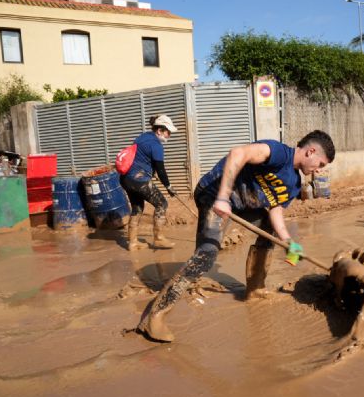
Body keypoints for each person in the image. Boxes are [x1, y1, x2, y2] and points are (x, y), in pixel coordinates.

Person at [137, 130, 335, 342]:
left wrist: (288, 241)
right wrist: (222, 197)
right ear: (311, 151)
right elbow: (237, 154)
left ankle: (255, 289)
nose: (318, 170)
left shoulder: (294, 184)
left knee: (270, 230)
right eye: (320, 164)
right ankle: (154, 316)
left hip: (240, 205)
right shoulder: (278, 152)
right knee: (207, 254)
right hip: (214, 193)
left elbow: (275, 210)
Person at [121, 114, 178, 251]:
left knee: (137, 208)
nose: (169, 135)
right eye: (168, 132)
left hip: (126, 179)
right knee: (162, 203)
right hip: (139, 180)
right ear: (159, 131)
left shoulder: (143, 137)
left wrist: (149, 168)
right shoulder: (156, 145)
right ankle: (158, 239)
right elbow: (161, 169)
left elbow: (140, 156)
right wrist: (169, 186)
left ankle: (133, 243)